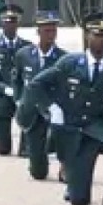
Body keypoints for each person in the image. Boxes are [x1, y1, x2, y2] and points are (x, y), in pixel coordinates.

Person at [23, 13, 103, 205]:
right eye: (96, 35)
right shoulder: (70, 63)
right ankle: (74, 183)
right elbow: (36, 85)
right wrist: (51, 108)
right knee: (79, 201)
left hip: (99, 128)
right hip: (73, 132)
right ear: (87, 37)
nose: (100, 40)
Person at [13, 12, 66, 181]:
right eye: (47, 31)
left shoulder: (63, 58)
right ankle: (39, 163)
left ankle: (66, 166)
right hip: (32, 112)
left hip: (53, 112)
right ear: (38, 32)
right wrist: (18, 99)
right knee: (38, 173)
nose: (51, 34)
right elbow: (17, 79)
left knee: (63, 143)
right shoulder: (24, 55)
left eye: (53, 31)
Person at [0, 5, 29, 156]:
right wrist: (5, 89)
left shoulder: (27, 47)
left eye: (13, 22)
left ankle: (27, 146)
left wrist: (21, 92)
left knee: (26, 151)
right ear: (1, 24)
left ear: (18, 24)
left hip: (22, 97)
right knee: (3, 149)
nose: (10, 25)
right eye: (6, 22)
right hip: (1, 96)